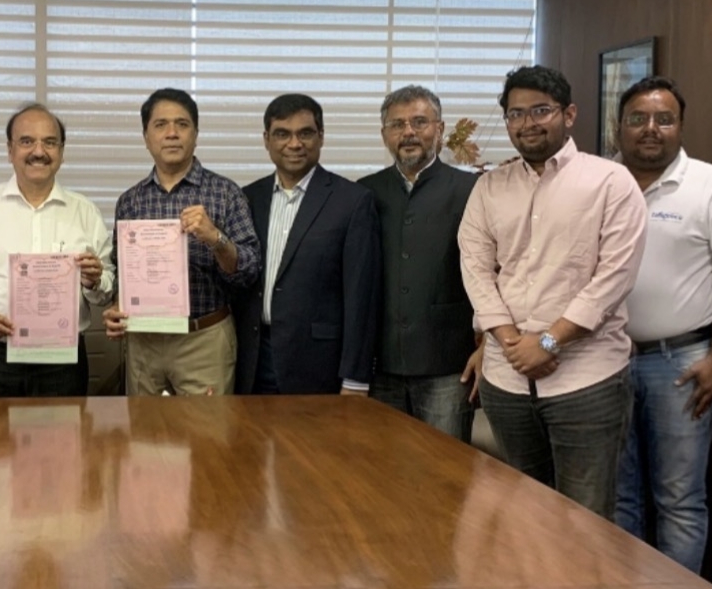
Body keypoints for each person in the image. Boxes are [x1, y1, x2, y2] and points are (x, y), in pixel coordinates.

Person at [458, 65, 647, 519]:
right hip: (506, 382)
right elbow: (476, 269)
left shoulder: (611, 182)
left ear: (569, 114)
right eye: (515, 114)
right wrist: (511, 342)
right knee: (524, 515)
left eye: (540, 110)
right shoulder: (489, 188)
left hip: (586, 381)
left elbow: (614, 277)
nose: (527, 123)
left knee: (585, 520)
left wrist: (547, 342)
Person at [613, 77, 712, 572]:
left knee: (679, 500)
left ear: (680, 125)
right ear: (619, 126)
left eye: (664, 119)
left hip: (681, 365)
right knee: (618, 498)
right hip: (604, 362)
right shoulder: (600, 181)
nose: (650, 129)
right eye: (638, 118)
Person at [0, 104, 113, 396]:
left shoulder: (86, 212)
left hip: (62, 362)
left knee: (65, 428)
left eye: (50, 142)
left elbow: (105, 290)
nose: (39, 151)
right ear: (10, 150)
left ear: (62, 152)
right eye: (27, 141)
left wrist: (94, 281)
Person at [103, 88, 261, 395]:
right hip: (144, 340)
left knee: (207, 426)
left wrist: (215, 238)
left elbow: (249, 271)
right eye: (160, 125)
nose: (172, 133)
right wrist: (116, 306)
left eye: (182, 124)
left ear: (196, 134)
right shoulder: (130, 201)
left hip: (203, 339)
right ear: (146, 137)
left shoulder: (226, 193)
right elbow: (123, 272)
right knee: (143, 425)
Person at [231, 93, 380, 394]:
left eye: (305, 133)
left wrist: (355, 378)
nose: (294, 144)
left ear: (321, 136)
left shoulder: (352, 201)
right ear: (266, 140)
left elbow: (361, 298)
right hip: (253, 360)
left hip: (318, 365)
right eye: (282, 134)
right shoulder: (247, 198)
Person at [358, 85, 481, 441]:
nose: (408, 132)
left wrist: (487, 344)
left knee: (446, 467)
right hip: (381, 365)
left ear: (439, 129)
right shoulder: (364, 192)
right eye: (397, 124)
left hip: (448, 365)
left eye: (419, 122)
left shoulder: (471, 189)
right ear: (384, 134)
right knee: (382, 466)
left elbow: (494, 273)